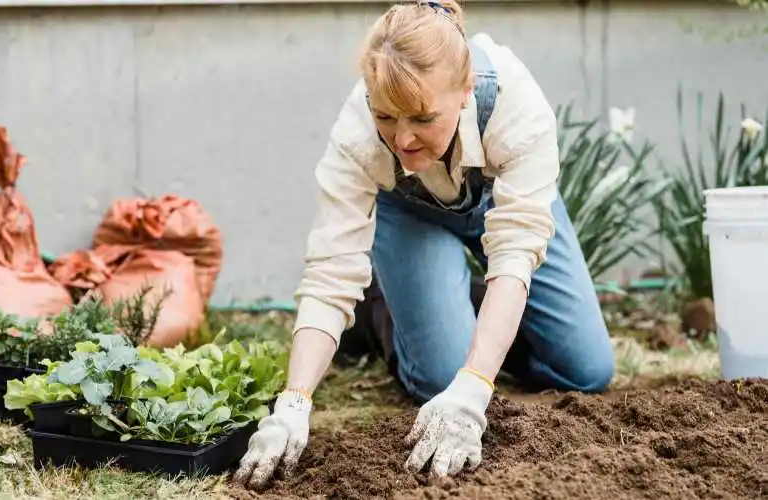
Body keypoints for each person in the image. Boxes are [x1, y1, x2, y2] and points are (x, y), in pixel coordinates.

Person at [233, 0, 615, 489]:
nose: (403, 139)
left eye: (421, 117)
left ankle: (459, 305)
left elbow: (516, 251)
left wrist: (476, 385)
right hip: (408, 214)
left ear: (465, 89)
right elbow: (331, 272)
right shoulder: (357, 137)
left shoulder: (516, 105)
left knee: (586, 370)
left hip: (504, 203)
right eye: (386, 117)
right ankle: (380, 311)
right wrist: (293, 404)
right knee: (439, 379)